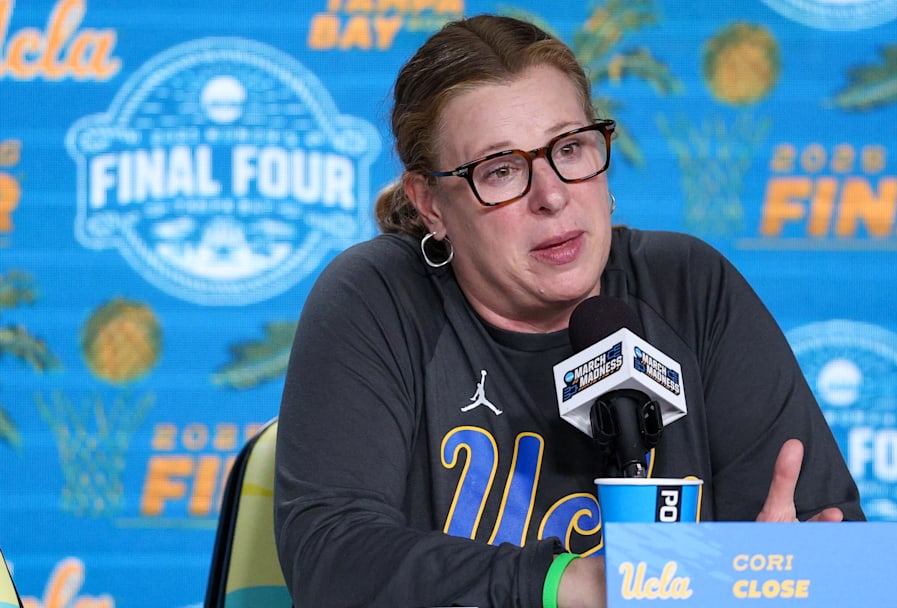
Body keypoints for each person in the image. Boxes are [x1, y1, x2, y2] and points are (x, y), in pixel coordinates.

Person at [274, 14, 864, 608]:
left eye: (570, 149)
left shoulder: (688, 287)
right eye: (501, 170)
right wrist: (572, 585)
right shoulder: (381, 299)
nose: (552, 195)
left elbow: (841, 559)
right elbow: (330, 559)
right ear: (430, 204)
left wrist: (792, 582)